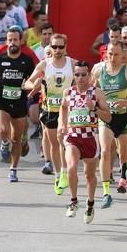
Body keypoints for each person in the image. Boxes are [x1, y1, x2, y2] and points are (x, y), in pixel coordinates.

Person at [91, 41, 127, 208]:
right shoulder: (99, 71)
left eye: (116, 54)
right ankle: (106, 192)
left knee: (123, 153)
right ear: (105, 54)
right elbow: (92, 92)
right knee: (106, 150)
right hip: (106, 119)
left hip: (124, 118)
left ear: (122, 55)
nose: (113, 58)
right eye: (110, 54)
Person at [58, 61, 111, 222]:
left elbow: (108, 117)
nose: (80, 78)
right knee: (72, 167)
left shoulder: (97, 93)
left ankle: (90, 204)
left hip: (90, 138)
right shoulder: (68, 92)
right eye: (77, 74)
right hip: (73, 137)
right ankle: (73, 202)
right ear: (73, 76)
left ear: (89, 75)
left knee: (89, 175)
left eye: (83, 74)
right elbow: (63, 107)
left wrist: (93, 108)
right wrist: (62, 124)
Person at [24, 33, 74, 194]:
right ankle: (58, 175)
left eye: (61, 46)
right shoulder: (44, 65)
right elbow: (27, 84)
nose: (57, 50)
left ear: (66, 47)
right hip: (50, 110)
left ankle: (65, 173)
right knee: (55, 144)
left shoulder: (72, 64)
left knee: (65, 142)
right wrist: (35, 84)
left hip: (69, 111)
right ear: (50, 48)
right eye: (54, 47)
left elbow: (86, 81)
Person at [0, 28, 36, 181]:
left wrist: (29, 87)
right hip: (2, 99)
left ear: (20, 41)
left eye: (15, 40)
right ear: (6, 41)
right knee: (3, 130)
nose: (12, 43)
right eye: (9, 40)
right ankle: (4, 142)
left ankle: (13, 169)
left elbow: (33, 79)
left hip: (20, 102)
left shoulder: (27, 61)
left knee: (16, 139)